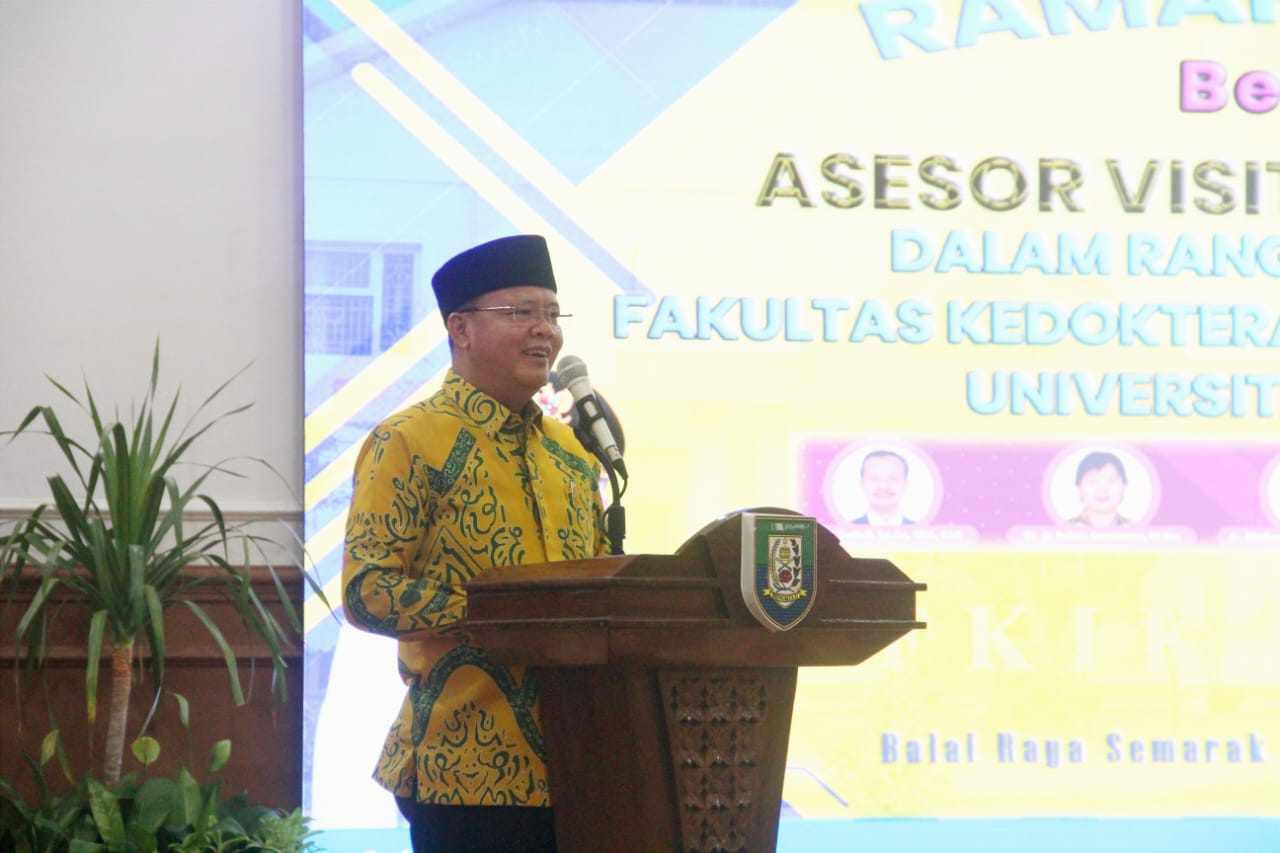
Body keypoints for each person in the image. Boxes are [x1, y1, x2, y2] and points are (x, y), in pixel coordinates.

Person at [341, 234, 607, 853]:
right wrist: (500, 616)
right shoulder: (408, 440)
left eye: (552, 313)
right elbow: (367, 591)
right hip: (462, 768)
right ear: (460, 329)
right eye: (522, 312)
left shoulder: (572, 454)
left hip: (581, 767)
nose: (545, 330)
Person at [851, 449, 915, 526]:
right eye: (874, 478)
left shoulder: (923, 530)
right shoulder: (845, 529)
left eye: (893, 478)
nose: (883, 486)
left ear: (905, 485)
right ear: (862, 484)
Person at [1068, 450, 1130, 527]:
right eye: (1092, 481)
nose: (1102, 489)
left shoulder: (1137, 529)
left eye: (1110, 481)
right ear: (1079, 488)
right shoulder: (1061, 529)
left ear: (1124, 487)